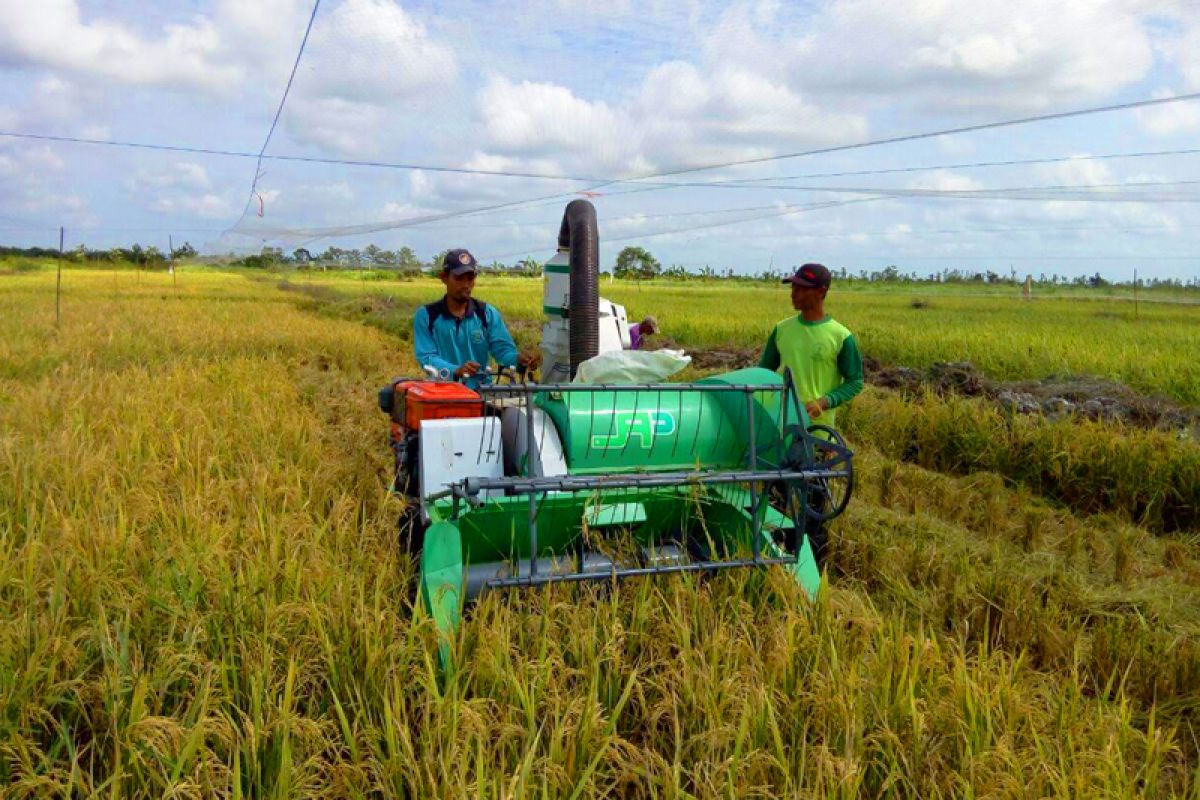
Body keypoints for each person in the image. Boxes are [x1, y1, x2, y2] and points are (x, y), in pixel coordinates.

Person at [759, 263, 863, 430]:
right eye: (793, 288)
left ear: (821, 292)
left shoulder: (841, 336)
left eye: (802, 289)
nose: (794, 294)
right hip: (780, 425)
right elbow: (763, 372)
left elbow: (855, 381)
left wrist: (823, 402)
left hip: (819, 430)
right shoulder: (781, 330)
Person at [413, 248, 534, 388]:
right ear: (444, 278)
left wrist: (519, 359)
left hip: (481, 394)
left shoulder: (487, 314)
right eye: (459, 278)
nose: (466, 285)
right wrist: (456, 370)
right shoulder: (427, 316)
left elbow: (503, 351)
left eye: (470, 278)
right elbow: (427, 358)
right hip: (442, 392)